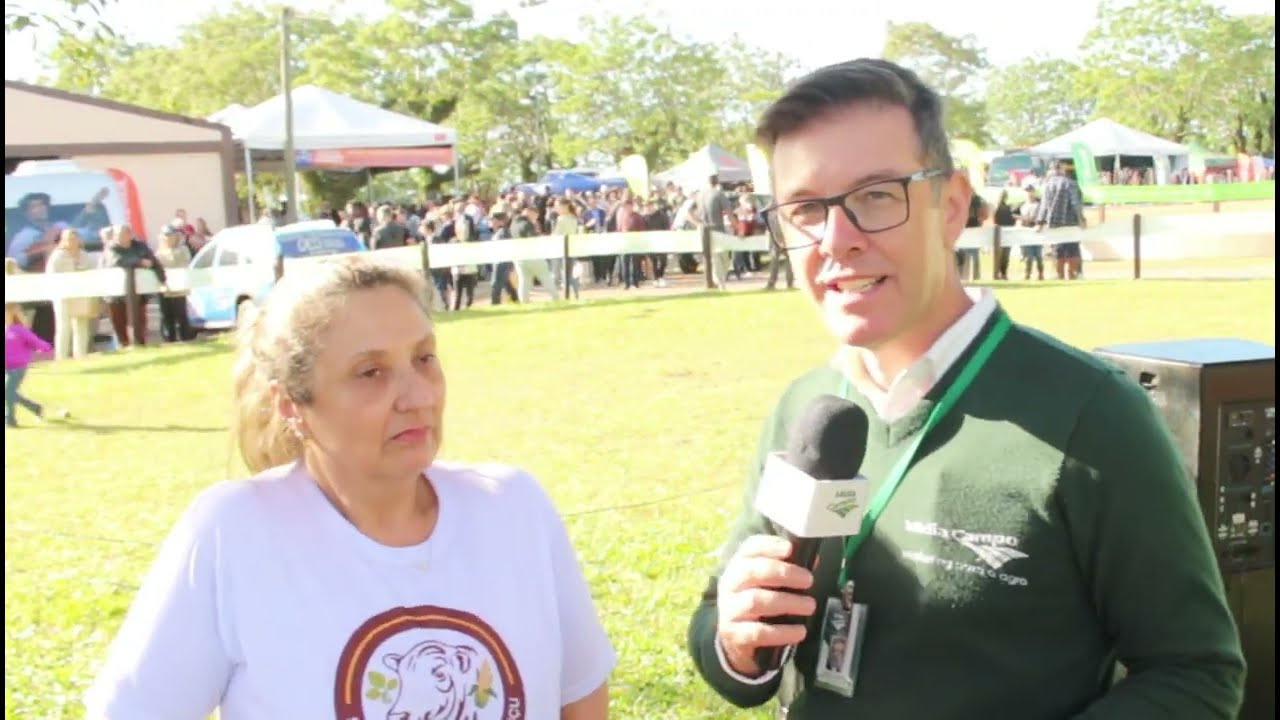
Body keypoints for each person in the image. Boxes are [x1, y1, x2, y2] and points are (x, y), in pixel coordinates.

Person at [686, 58, 1245, 719]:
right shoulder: (807, 408)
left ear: (950, 205)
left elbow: (1195, 672)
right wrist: (735, 637)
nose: (837, 240)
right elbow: (724, 626)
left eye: (875, 196)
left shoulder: (1089, 415)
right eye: (806, 208)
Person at [84, 256, 615, 719]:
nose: (416, 395)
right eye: (370, 373)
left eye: (423, 359)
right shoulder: (235, 532)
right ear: (291, 403)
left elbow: (580, 692)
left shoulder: (513, 507)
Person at [5, 303, 69, 427]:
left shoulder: (19, 329)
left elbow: (35, 341)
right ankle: (36, 408)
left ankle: (10, 419)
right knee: (10, 392)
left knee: (8, 391)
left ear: (11, 314)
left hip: (18, 368)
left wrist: (47, 349)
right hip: (7, 367)